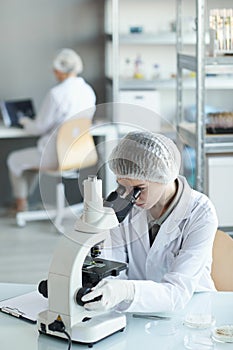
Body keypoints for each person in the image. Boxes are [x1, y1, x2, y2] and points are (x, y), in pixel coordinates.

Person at [82, 131, 218, 313]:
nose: (129, 196)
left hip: (191, 312)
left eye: (138, 189)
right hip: (134, 311)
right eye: (122, 186)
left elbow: (177, 292)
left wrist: (127, 291)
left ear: (163, 176)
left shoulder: (200, 212)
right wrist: (107, 291)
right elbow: (113, 268)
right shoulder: (122, 205)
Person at [7, 48, 96, 212]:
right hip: (79, 154)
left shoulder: (56, 94)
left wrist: (25, 121)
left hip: (55, 155)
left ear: (59, 70)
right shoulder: (88, 91)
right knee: (29, 161)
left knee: (14, 160)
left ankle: (21, 204)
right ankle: (25, 200)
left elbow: (39, 127)